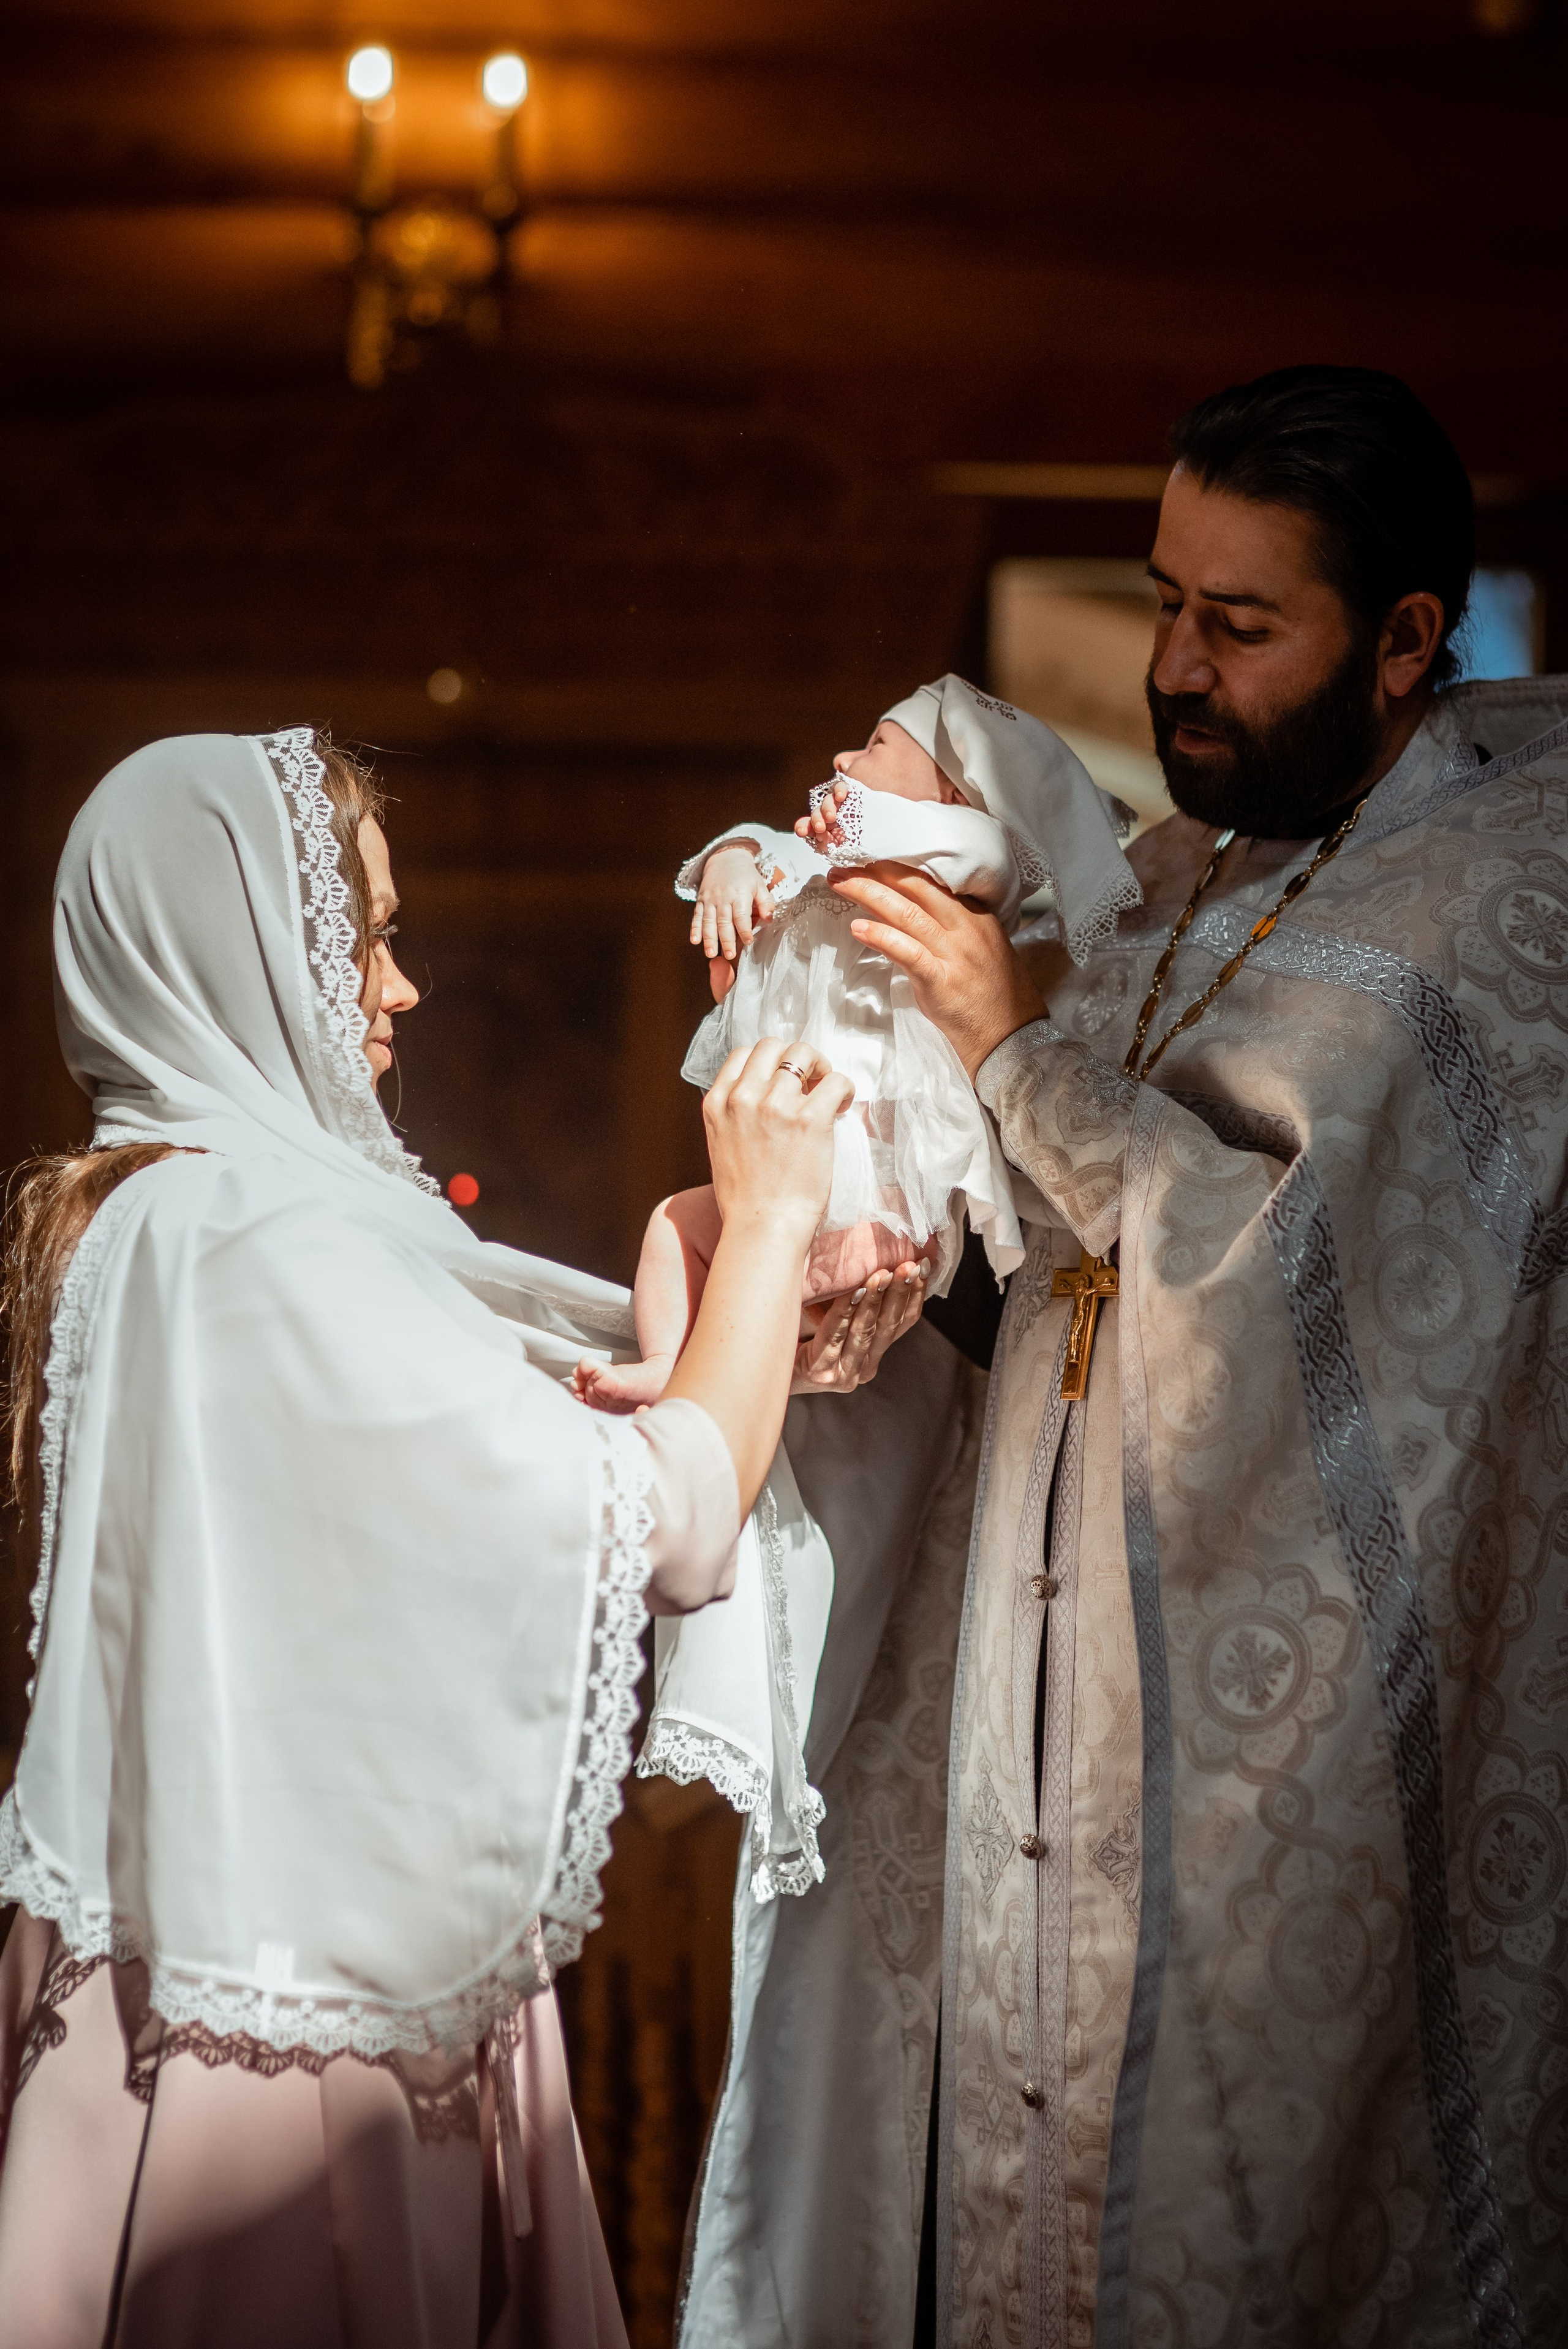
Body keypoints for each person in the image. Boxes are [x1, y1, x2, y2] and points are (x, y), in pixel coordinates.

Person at [673, 366, 1568, 2347]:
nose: (1173, 667)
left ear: (1411, 640)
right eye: (1165, 599)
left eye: (1240, 627)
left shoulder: (1505, 912)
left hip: (1288, 1770)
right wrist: (884, 1277)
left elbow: (1274, 1282)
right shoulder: (1168, 886)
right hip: (1043, 1716)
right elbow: (1063, 1272)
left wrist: (1008, 1048)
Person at [0, 726, 915, 2349]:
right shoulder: (246, 1242)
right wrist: (767, 1212)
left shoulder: (194, 1224)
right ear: (242, 952)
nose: (398, 989)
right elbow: (675, 1522)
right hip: (286, 2054)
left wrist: (708, 1256)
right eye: (365, 935)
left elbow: (584, 1406)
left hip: (250, 1985)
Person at [576, 677, 1136, 1412]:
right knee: (680, 1227)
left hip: (887, 1185)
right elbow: (751, 843)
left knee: (785, 1291)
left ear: (953, 791)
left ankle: (744, 1373)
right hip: (798, 1161)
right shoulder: (820, 861)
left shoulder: (960, 860)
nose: (844, 757)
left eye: (875, 744)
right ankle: (671, 1362)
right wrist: (734, 866)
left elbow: (973, 851)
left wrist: (859, 829)